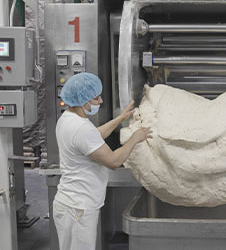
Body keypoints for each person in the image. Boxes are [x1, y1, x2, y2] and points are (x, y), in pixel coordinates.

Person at [53, 72, 152, 250]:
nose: (100, 102)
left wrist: (121, 118)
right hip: (78, 208)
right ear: (83, 101)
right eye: (95, 98)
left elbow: (95, 137)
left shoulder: (68, 119)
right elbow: (114, 161)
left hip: (72, 203)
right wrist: (135, 138)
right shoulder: (81, 128)